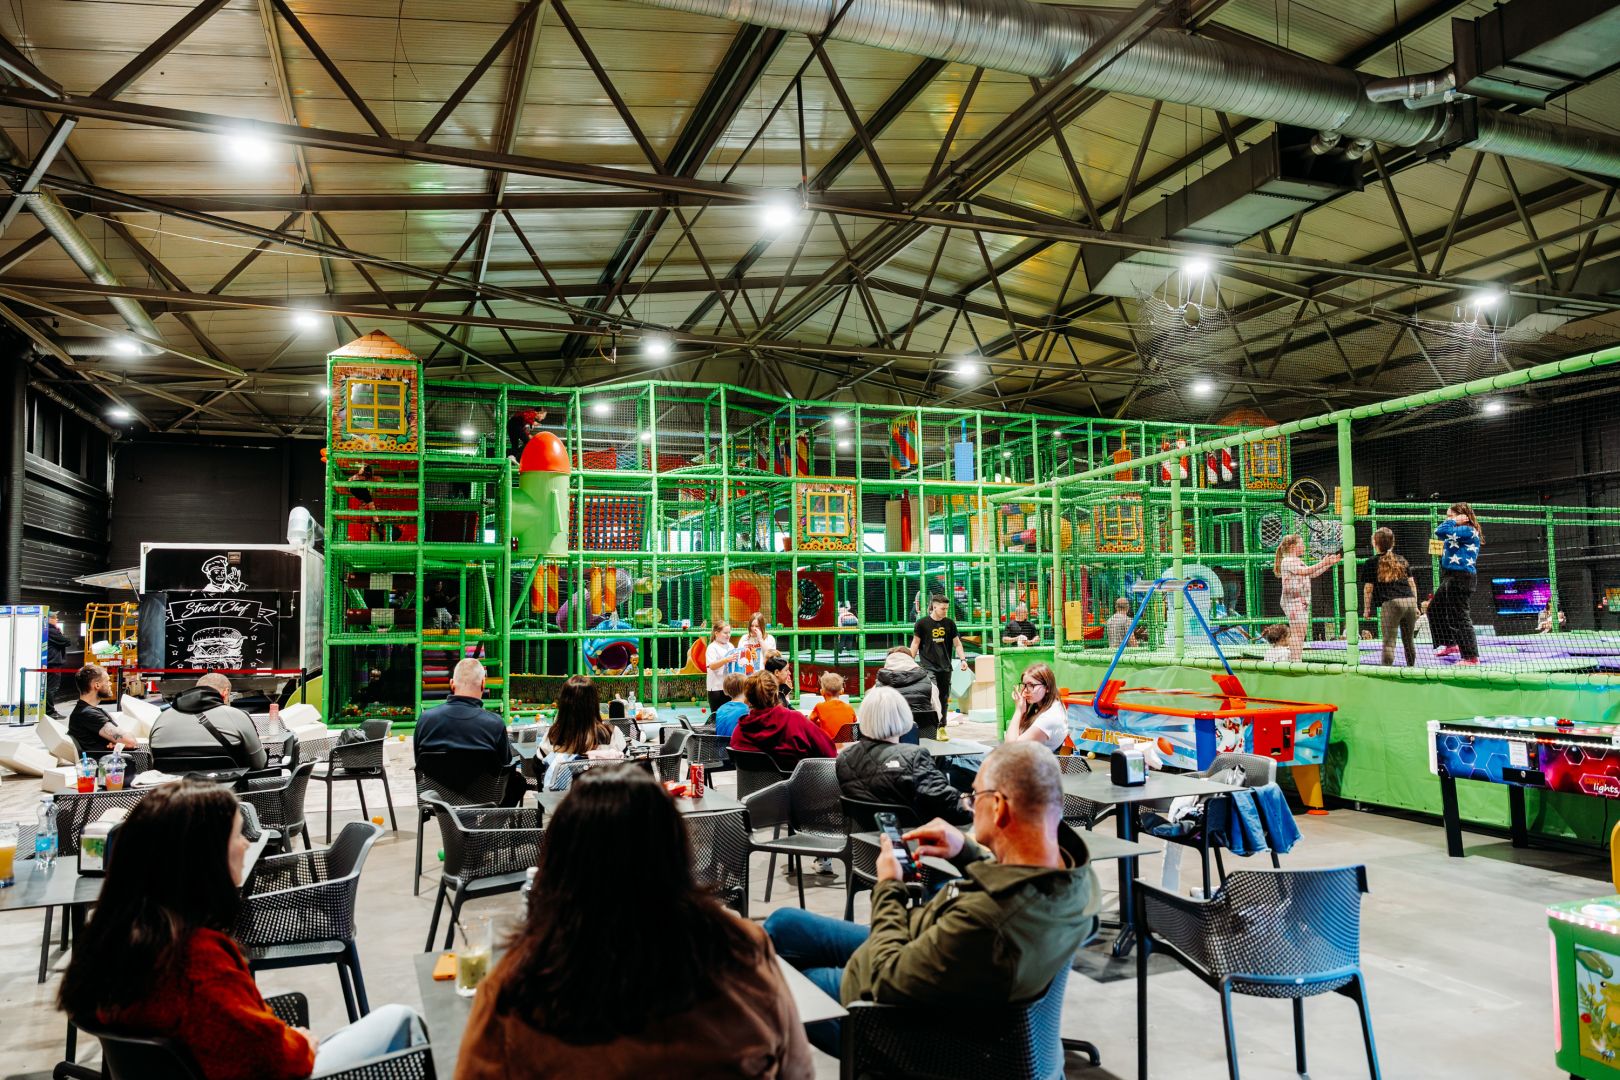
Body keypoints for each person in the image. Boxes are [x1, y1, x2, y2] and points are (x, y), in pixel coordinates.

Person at [455, 767, 813, 1079]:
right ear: (677, 852)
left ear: (558, 863)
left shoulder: (514, 991)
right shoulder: (743, 952)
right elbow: (797, 1070)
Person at [58, 781, 427, 1080]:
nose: (247, 844)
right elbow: (272, 1059)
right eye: (236, 835)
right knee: (400, 1020)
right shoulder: (196, 960)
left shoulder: (117, 938)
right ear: (204, 856)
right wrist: (301, 1042)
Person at [767, 743, 1099, 1056]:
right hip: (933, 953)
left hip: (898, 1016)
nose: (969, 805)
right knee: (784, 925)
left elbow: (886, 974)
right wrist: (965, 851)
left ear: (998, 807)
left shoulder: (986, 921)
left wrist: (889, 886)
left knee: (775, 983)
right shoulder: (1072, 877)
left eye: (974, 797)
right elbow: (1010, 884)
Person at [835, 687, 970, 826]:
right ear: (903, 716)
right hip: (913, 836)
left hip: (865, 837)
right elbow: (951, 807)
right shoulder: (915, 757)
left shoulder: (844, 758)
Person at [415, 658, 524, 805]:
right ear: (483, 684)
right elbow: (506, 766)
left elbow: (418, 761)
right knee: (518, 781)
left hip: (439, 802)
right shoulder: (495, 723)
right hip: (484, 801)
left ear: (452, 684)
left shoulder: (425, 720)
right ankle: (495, 819)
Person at [149, 672, 269, 770]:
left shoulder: (162, 718)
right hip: (223, 790)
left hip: (173, 790)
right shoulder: (237, 716)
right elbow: (259, 764)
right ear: (225, 693)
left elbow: (154, 762)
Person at [730, 670, 834, 769]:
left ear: (747, 699)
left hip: (754, 782)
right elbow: (829, 752)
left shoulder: (740, 731)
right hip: (797, 781)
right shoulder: (796, 721)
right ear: (776, 693)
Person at [541, 675, 624, 791]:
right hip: (604, 797)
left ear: (563, 704)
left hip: (562, 800)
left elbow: (539, 767)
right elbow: (626, 767)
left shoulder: (553, 736)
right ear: (594, 702)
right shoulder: (611, 733)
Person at [1430, 502, 1484, 664]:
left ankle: (1471, 657)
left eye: (1450, 516)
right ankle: (1450, 643)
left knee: (1459, 616)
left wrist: (1455, 521)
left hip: (1461, 577)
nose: (1447, 519)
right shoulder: (1457, 532)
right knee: (1434, 609)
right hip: (1450, 576)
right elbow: (1443, 536)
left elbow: (1439, 531)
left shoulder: (1467, 530)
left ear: (1463, 516)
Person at [1273, 535, 1341, 662]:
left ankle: (1296, 659)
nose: (1304, 546)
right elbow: (1304, 572)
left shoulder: (1297, 560)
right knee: (1297, 633)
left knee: (1301, 632)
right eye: (1301, 544)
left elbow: (1312, 573)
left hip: (1301, 602)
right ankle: (1295, 661)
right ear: (1292, 547)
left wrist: (1328, 564)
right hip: (1293, 602)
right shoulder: (1287, 561)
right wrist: (1323, 562)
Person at [1360, 527, 1419, 667]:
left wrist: (1367, 609)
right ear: (1392, 543)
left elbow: (1368, 589)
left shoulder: (1371, 562)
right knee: (1409, 641)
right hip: (1410, 602)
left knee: (1389, 643)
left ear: (1375, 543)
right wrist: (1416, 605)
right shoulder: (1401, 560)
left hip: (1392, 604)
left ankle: (1386, 671)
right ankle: (1412, 669)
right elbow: (1412, 584)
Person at [911, 595, 968, 725]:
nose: (945, 611)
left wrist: (963, 659)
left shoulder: (950, 623)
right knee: (932, 693)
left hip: (945, 667)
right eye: (943, 608)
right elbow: (915, 643)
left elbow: (957, 644)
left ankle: (942, 726)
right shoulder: (922, 623)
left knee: (944, 698)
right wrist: (909, 661)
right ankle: (929, 724)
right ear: (934, 606)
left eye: (947, 609)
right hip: (928, 666)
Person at [67, 665, 137, 755]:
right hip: (108, 761)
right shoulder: (89, 714)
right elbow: (131, 742)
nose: (110, 684)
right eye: (107, 681)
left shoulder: (87, 711)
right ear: (97, 685)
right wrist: (121, 741)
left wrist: (118, 742)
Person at [1006, 662, 1067, 751]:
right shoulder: (1047, 705)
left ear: (1047, 687)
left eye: (1031, 685)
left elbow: (1010, 748)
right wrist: (1023, 711)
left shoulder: (1049, 717)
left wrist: (1018, 711)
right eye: (1024, 685)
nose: (1025, 690)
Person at [874, 647, 941, 727]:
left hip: (888, 732)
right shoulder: (929, 684)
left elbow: (871, 715)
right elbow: (937, 715)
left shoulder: (877, 687)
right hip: (922, 732)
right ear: (910, 660)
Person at [808, 671, 856, 742]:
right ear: (842, 691)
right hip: (847, 745)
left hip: (827, 745)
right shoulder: (849, 707)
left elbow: (809, 721)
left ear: (822, 692)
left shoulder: (819, 707)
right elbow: (854, 721)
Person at [703, 622, 736, 714]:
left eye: (729, 632)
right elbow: (712, 666)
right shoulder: (712, 647)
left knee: (729, 714)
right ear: (716, 633)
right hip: (716, 688)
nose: (728, 635)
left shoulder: (730, 646)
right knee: (717, 715)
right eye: (725, 633)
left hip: (728, 687)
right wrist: (726, 660)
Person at [712, 673, 749, 740]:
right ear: (746, 689)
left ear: (725, 691)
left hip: (720, 746)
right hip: (735, 745)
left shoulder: (721, 709)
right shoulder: (746, 710)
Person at [45, 611, 70, 703]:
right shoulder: (51, 630)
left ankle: (49, 709)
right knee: (52, 687)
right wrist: (60, 632)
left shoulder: (49, 630)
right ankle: (49, 710)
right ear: (48, 619)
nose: (57, 619)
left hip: (51, 662)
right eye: (54, 618)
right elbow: (67, 642)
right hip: (53, 662)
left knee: (51, 687)